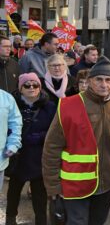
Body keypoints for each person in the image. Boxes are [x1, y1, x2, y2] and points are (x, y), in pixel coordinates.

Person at [42, 56, 110, 225]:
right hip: (74, 183)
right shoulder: (68, 106)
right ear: (90, 81)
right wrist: (53, 187)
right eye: (98, 79)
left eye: (109, 80)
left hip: (107, 181)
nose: (104, 84)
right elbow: (51, 148)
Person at [6, 73, 56, 225]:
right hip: (17, 157)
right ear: (20, 88)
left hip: (39, 157)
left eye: (35, 85)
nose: (31, 88)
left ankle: (41, 221)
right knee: (13, 192)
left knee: (40, 195)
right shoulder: (11, 104)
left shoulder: (49, 106)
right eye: (27, 85)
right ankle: (10, 218)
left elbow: (55, 130)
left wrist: (41, 136)